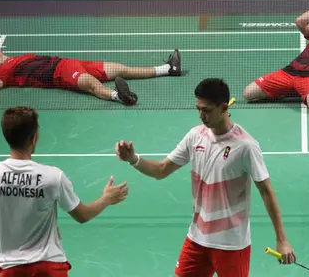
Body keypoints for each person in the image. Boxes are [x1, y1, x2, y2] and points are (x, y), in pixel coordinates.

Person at [114, 78, 296, 277]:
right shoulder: (195, 136)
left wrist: (282, 239)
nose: (201, 115)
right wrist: (133, 159)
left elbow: (266, 191)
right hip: (197, 238)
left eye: (207, 110)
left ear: (224, 107)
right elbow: (161, 169)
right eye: (198, 109)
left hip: (231, 244)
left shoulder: (246, 146)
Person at [0, 106, 129, 277]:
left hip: (10, 270)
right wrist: (106, 198)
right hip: (50, 268)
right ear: (34, 137)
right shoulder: (52, 177)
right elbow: (82, 215)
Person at [0, 49, 181, 106]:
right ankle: (119, 96)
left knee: (120, 69)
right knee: (89, 83)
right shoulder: (2, 73)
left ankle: (167, 68)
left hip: (69, 62)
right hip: (58, 73)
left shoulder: (10, 61)